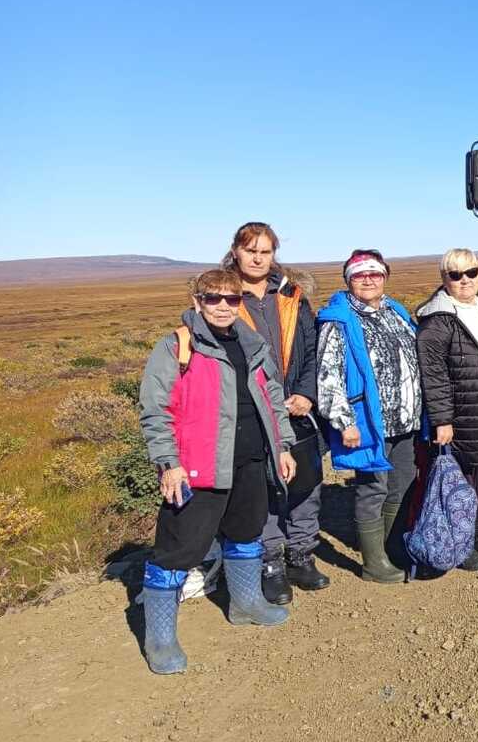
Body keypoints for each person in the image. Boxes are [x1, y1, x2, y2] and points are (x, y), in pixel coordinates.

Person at [137, 269, 297, 674]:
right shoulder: (177, 346)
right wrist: (168, 463)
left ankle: (245, 604)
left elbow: (271, 398)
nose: (223, 306)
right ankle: (160, 637)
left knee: (246, 533)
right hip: (196, 468)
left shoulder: (251, 343)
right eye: (214, 298)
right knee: (178, 550)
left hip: (250, 461)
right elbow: (156, 410)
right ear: (197, 301)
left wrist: (282, 446)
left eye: (232, 298)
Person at [221, 222, 328, 604]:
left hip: (296, 409)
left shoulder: (291, 295)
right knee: (262, 488)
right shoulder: (223, 298)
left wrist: (305, 393)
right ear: (235, 251)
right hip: (250, 411)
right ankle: (272, 563)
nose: (257, 258)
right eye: (250, 250)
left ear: (273, 255)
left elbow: (312, 349)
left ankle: (302, 554)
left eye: (264, 251)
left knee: (305, 484)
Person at [317, 250, 422, 584]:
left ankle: (391, 549)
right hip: (366, 421)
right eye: (360, 274)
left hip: (405, 420)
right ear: (348, 279)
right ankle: (373, 562)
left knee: (401, 483)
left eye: (374, 273)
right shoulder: (339, 319)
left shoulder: (396, 311)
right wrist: (343, 421)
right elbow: (328, 374)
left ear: (385, 277)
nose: (368, 279)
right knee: (372, 488)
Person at [415, 248, 478, 571]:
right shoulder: (438, 319)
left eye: (470, 272)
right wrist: (443, 419)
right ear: (444, 279)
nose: (464, 280)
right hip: (464, 412)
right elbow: (433, 374)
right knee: (466, 477)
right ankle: (462, 540)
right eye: (455, 274)